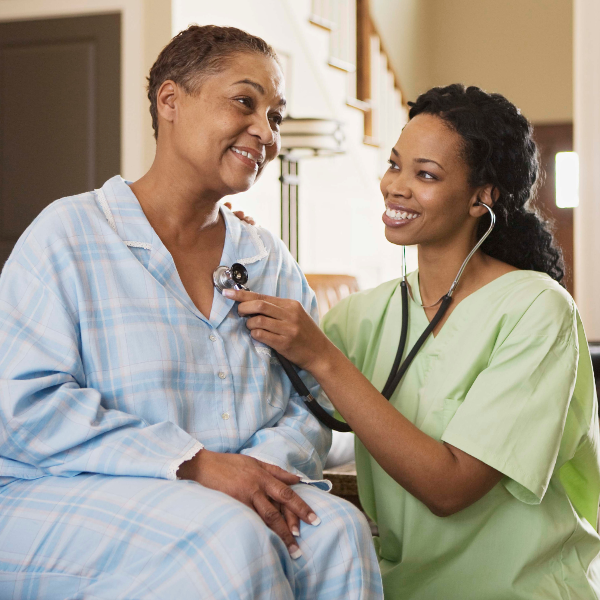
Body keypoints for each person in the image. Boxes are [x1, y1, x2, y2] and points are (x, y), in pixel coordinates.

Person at [0, 25, 383, 600]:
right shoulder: (69, 234)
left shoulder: (266, 258)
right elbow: (26, 406)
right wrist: (197, 465)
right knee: (229, 538)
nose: (265, 131)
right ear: (170, 100)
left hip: (218, 498)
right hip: (65, 489)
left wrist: (258, 471)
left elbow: (309, 409)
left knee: (338, 532)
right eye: (244, 102)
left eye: (275, 116)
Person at [227, 84, 600, 599]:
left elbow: (450, 489)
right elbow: (279, 390)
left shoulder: (538, 310)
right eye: (394, 165)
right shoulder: (364, 315)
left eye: (425, 174)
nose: (395, 187)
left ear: (481, 197)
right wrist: (237, 248)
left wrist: (324, 358)